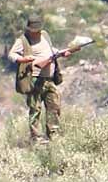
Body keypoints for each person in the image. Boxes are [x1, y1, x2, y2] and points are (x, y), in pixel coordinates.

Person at [8, 15, 71, 144]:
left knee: (54, 106)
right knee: (35, 109)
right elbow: (12, 54)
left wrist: (61, 53)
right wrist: (22, 59)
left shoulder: (45, 35)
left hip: (49, 79)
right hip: (34, 79)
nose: (35, 32)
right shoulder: (23, 40)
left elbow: (50, 50)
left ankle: (53, 135)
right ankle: (36, 138)